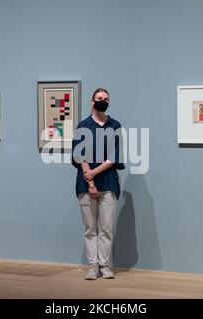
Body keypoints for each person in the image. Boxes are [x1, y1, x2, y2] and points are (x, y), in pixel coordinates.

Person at [72, 88, 125, 280]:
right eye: (100, 98)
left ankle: (105, 265)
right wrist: (90, 179)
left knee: (106, 228)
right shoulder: (83, 125)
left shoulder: (115, 125)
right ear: (92, 102)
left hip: (109, 183)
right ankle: (93, 265)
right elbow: (79, 155)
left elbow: (114, 157)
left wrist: (94, 172)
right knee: (90, 228)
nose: (103, 101)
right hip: (85, 184)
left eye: (106, 99)